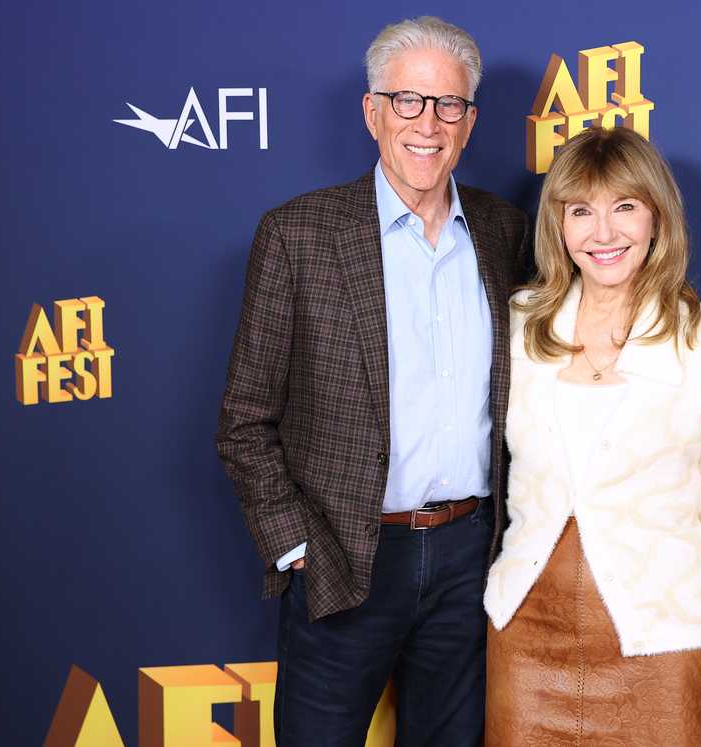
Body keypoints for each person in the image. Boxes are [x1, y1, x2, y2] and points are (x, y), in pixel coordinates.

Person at [215, 16, 528, 747]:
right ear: (373, 112)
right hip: (346, 558)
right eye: (408, 101)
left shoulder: (503, 230)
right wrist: (299, 549)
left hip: (469, 559)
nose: (429, 123)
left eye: (448, 104)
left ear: (470, 121)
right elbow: (244, 420)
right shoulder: (298, 235)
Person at [483, 126, 701, 746]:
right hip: (524, 641)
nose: (603, 233)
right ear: (558, 225)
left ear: (657, 218)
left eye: (624, 207)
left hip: (663, 643)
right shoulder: (520, 327)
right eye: (581, 211)